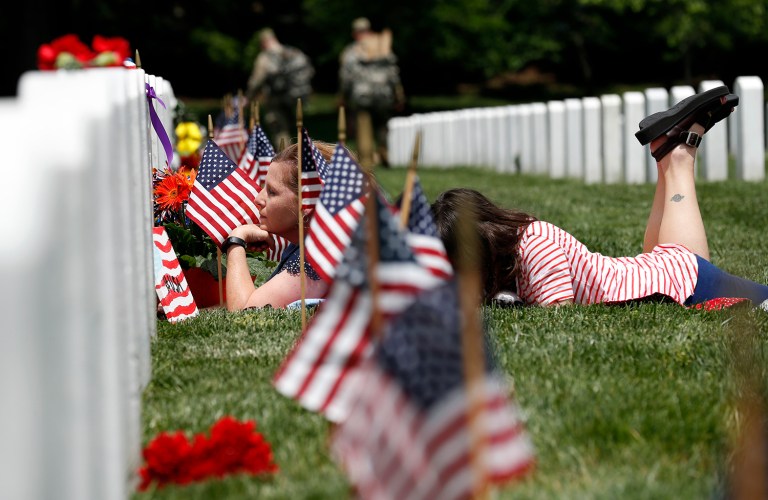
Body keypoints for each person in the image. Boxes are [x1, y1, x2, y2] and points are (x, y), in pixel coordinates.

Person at [431, 88, 768, 310]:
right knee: (678, 249)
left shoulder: (533, 249)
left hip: (682, 284)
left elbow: (557, 317)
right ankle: (672, 147)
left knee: (764, 300)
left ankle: (679, 148)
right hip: (657, 269)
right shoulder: (512, 252)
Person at [224, 140, 333, 310]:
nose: (258, 199)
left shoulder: (317, 258)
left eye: (272, 192)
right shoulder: (307, 246)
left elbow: (243, 313)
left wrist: (236, 240)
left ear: (306, 203)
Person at [339, 17, 405, 168]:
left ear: (355, 33)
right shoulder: (384, 47)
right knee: (383, 127)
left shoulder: (351, 52)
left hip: (362, 96)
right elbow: (394, 74)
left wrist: (343, 97)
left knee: (363, 129)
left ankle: (367, 161)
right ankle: (385, 154)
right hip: (384, 95)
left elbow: (346, 77)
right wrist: (399, 95)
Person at [246, 28, 314, 147]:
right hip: (294, 97)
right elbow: (310, 70)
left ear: (263, 42)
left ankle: (285, 161)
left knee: (280, 131)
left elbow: (256, 82)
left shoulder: (265, 57)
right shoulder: (292, 52)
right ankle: (300, 157)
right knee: (295, 129)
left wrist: (248, 98)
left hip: (274, 101)